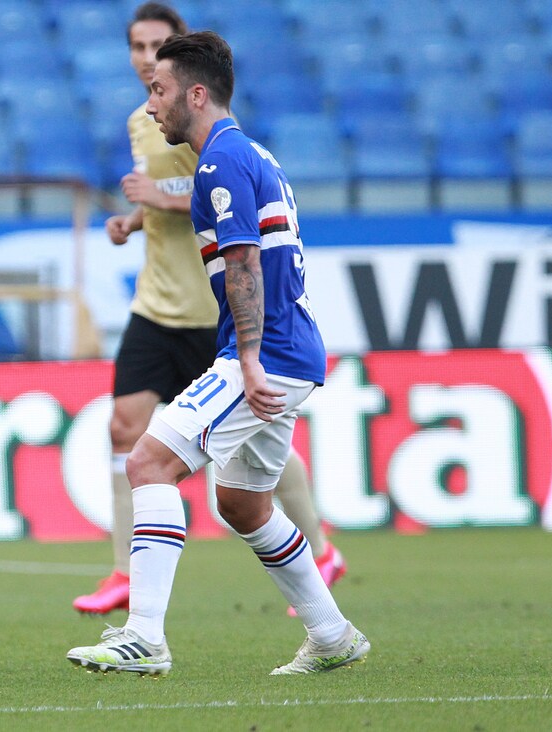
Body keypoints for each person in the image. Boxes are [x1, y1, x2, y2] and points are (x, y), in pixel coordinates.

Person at [66, 31, 369, 676]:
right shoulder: (249, 153)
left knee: (148, 461)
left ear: (196, 95)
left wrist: (249, 359)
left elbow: (244, 262)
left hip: (267, 353)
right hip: (290, 349)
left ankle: (144, 636)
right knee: (242, 502)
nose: (151, 104)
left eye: (160, 90)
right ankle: (331, 633)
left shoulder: (219, 162)